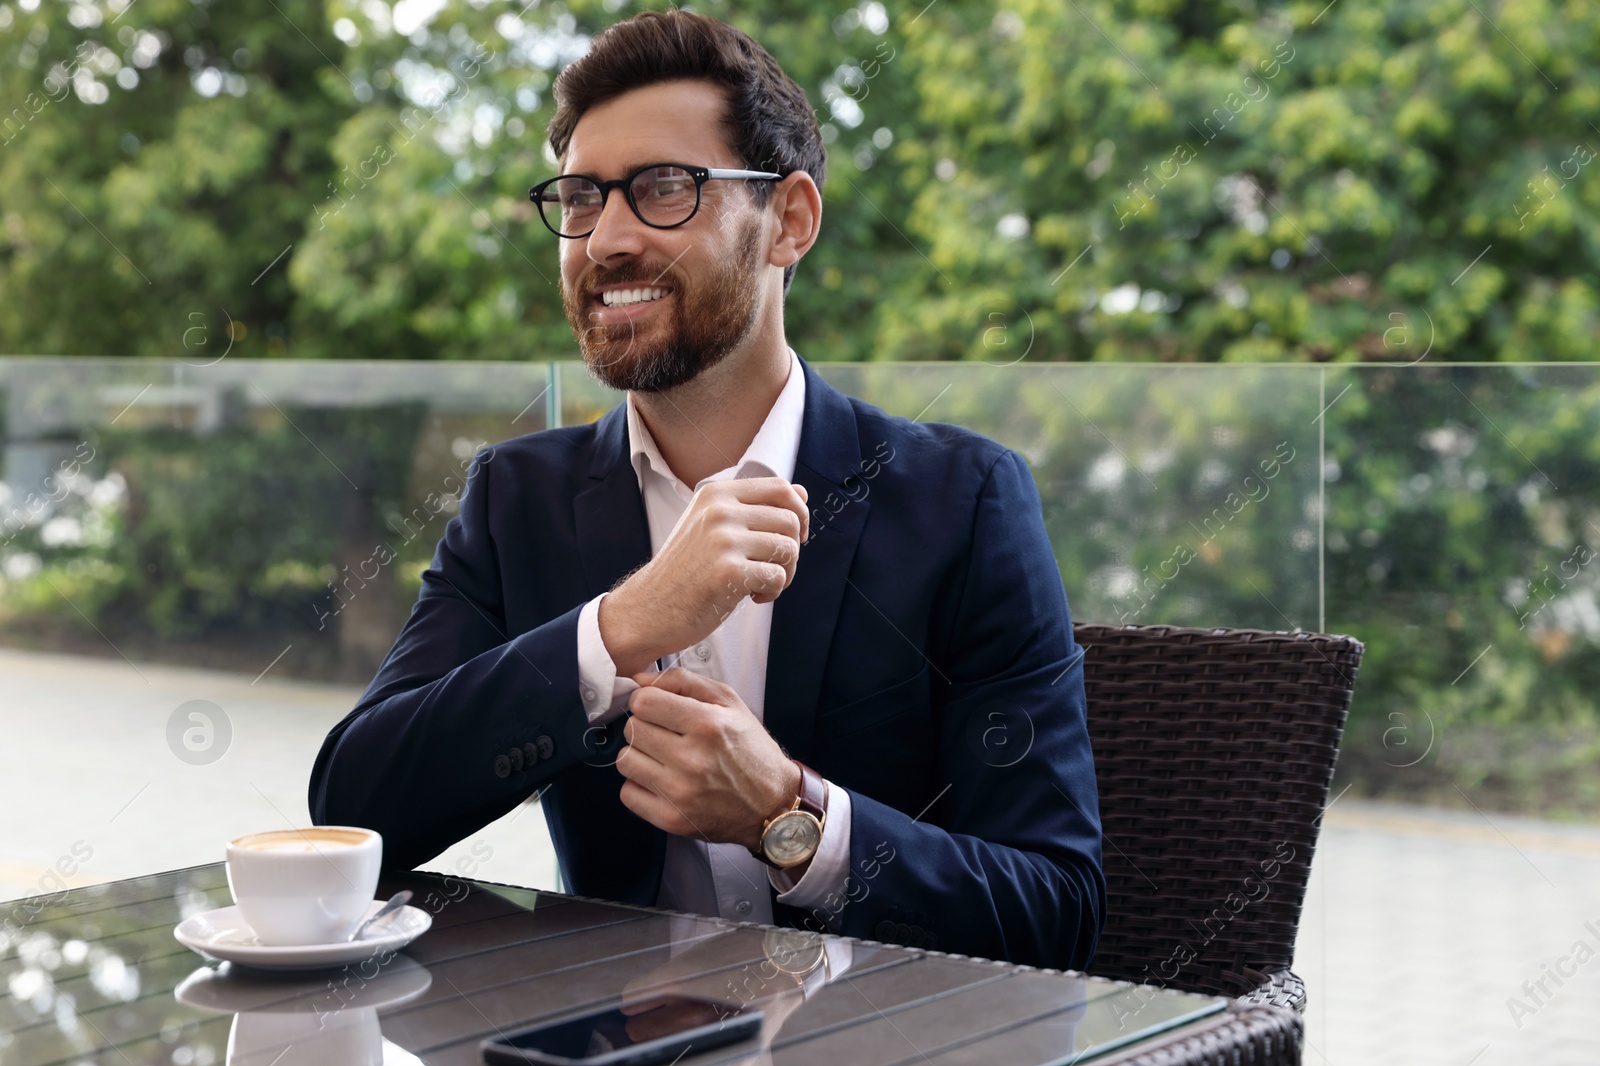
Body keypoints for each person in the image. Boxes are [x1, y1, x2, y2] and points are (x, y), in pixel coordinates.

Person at [307, 9, 1103, 971]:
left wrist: (788, 812)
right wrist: (616, 628)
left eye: (663, 189)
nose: (606, 239)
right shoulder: (517, 496)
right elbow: (356, 806)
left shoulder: (964, 500)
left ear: (791, 221)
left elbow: (1056, 909)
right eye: (582, 197)